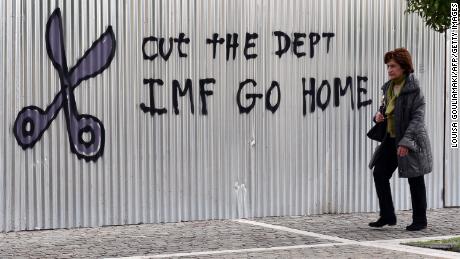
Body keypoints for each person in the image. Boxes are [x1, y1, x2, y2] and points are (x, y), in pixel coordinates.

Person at [368, 48, 433, 231]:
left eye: (393, 66)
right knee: (379, 173)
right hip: (390, 139)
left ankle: (420, 220)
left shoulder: (414, 89)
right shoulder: (388, 87)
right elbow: (385, 110)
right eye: (388, 66)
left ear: (404, 67)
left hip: (410, 140)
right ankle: (387, 215)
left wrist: (406, 142)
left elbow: (418, 118)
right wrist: (377, 117)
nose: (389, 70)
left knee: (415, 178)